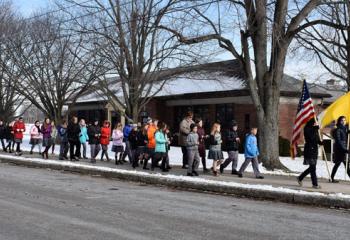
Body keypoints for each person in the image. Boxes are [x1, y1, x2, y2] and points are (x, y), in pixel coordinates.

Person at [297, 118, 322, 189]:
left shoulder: (314, 129)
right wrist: (315, 129)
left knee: (312, 168)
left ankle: (300, 178)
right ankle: (315, 184)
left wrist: (320, 142)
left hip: (314, 150)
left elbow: (315, 139)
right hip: (309, 149)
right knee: (313, 168)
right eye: (315, 121)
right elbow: (310, 137)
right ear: (312, 121)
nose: (316, 123)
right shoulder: (307, 128)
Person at [330, 116, 350, 182]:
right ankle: (331, 178)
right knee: (343, 164)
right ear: (339, 121)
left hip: (344, 148)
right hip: (340, 150)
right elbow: (339, 141)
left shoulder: (344, 129)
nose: (343, 121)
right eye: (342, 120)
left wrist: (348, 132)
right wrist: (344, 149)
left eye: (344, 120)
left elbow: (345, 137)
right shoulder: (338, 129)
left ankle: (331, 178)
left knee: (341, 164)